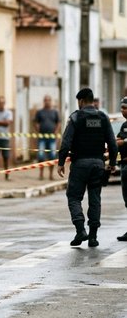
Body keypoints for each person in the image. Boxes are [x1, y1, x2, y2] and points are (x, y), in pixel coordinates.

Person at [57, 88, 117, 248]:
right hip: (98, 163)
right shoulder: (103, 117)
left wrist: (61, 162)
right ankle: (93, 237)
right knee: (95, 199)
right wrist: (112, 163)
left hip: (80, 164)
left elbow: (66, 143)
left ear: (82, 101)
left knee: (74, 197)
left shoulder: (76, 117)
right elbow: (112, 143)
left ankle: (80, 229)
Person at [34, 95, 61, 180]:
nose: (47, 102)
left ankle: (51, 174)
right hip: (42, 137)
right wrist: (38, 129)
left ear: (51, 101)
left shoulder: (54, 112)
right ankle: (41, 174)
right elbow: (35, 122)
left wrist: (56, 131)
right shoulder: (40, 112)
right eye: (45, 100)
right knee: (41, 156)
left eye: (49, 100)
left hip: (52, 138)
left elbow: (58, 123)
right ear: (44, 101)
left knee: (52, 156)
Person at [115, 97, 127, 242]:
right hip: (124, 166)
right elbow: (117, 141)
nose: (122, 110)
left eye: (125, 108)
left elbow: (120, 141)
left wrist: (122, 141)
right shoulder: (124, 125)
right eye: (122, 107)